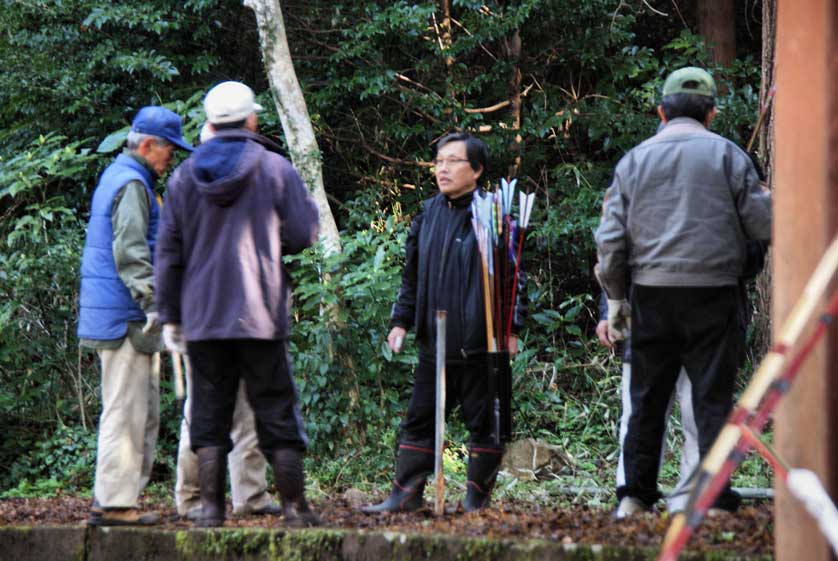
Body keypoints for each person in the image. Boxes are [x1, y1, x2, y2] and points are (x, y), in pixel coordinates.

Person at [594, 67, 772, 518]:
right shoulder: (730, 156)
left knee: (646, 398)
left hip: (650, 295)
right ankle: (709, 499)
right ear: (711, 112)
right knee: (711, 398)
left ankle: (634, 497)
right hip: (713, 294)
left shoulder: (633, 161)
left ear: (660, 111)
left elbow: (611, 240)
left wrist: (616, 298)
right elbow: (763, 225)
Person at [155, 81, 320, 527]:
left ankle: (209, 511)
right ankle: (295, 509)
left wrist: (171, 315)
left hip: (203, 319)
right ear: (251, 119)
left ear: (209, 123)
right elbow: (305, 232)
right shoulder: (272, 168)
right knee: (276, 410)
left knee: (209, 412)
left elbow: (168, 251)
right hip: (260, 314)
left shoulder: (185, 176)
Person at [360, 133, 525, 515]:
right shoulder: (428, 213)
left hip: (480, 342)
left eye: (453, 161)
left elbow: (513, 276)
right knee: (420, 418)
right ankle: (406, 496)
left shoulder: (495, 215)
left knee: (484, 423)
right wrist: (400, 321)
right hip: (434, 342)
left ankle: (475, 502)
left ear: (477, 170)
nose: (443, 169)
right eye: (438, 162)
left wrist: (511, 329)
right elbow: (411, 275)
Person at [78, 105, 194, 526]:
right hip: (125, 317)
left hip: (121, 313)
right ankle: (113, 504)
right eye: (168, 152)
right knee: (126, 413)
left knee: (137, 412)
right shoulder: (131, 184)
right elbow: (130, 252)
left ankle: (117, 501)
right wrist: (152, 302)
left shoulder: (124, 177)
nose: (171, 160)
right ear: (148, 146)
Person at [172, 122, 281, 521]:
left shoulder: (249, 185)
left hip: (247, 315)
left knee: (249, 409)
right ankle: (192, 498)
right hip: (204, 319)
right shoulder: (189, 187)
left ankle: (250, 496)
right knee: (203, 414)